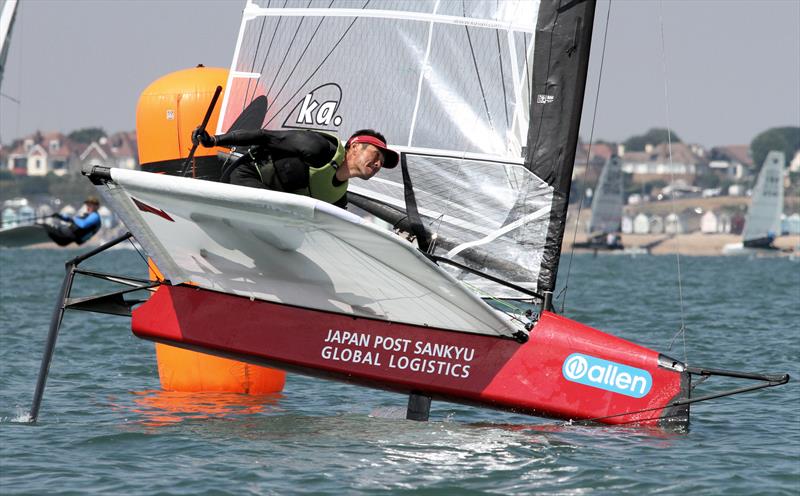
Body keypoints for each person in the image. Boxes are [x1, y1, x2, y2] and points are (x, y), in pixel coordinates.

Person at [192, 127, 398, 208]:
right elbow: (265, 136)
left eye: (383, 162)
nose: (379, 164)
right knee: (279, 211)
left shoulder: (337, 197)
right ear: (354, 146)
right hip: (243, 175)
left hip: (271, 202)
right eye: (376, 154)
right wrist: (214, 140)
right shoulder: (317, 148)